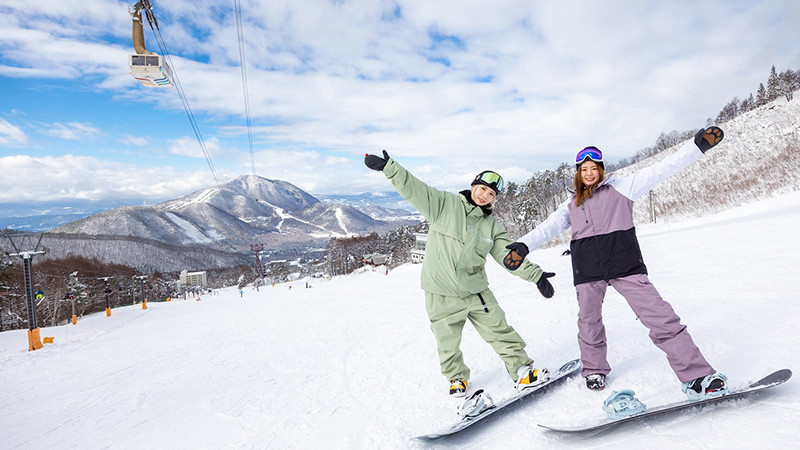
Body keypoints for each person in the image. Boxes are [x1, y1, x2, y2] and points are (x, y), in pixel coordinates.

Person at [503, 127, 729, 400]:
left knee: (661, 317)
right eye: (583, 169)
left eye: (593, 167)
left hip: (625, 264)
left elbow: (663, 168)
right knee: (589, 322)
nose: (589, 173)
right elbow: (547, 228)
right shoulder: (571, 204)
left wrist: (697, 147)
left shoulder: (624, 187)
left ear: (601, 169)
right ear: (578, 172)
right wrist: (523, 246)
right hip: (588, 270)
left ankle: (698, 376)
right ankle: (594, 369)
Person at [364, 150, 556, 397]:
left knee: (501, 331)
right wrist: (390, 167)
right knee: (447, 342)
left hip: (476, 292)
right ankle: (456, 379)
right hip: (440, 291)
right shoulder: (445, 204)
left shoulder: (492, 226)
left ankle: (521, 370)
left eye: (491, 194)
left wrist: (535, 275)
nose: (485, 195)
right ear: (473, 185)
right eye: (482, 188)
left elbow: (509, 257)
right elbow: (414, 189)